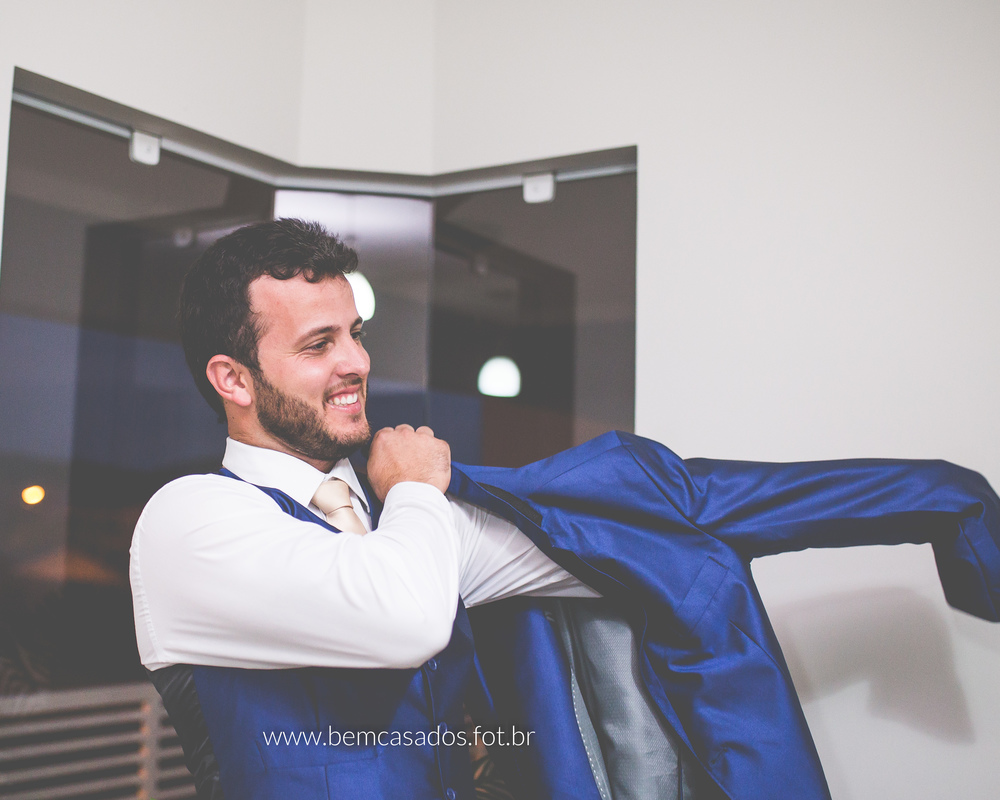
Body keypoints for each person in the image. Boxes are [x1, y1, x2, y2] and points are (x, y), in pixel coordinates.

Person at [132, 219, 1000, 800]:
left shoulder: (405, 523)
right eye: (319, 344)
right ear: (233, 378)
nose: (356, 362)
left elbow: (642, 524)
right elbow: (402, 618)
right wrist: (414, 488)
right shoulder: (188, 524)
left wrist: (936, 498)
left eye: (355, 332)